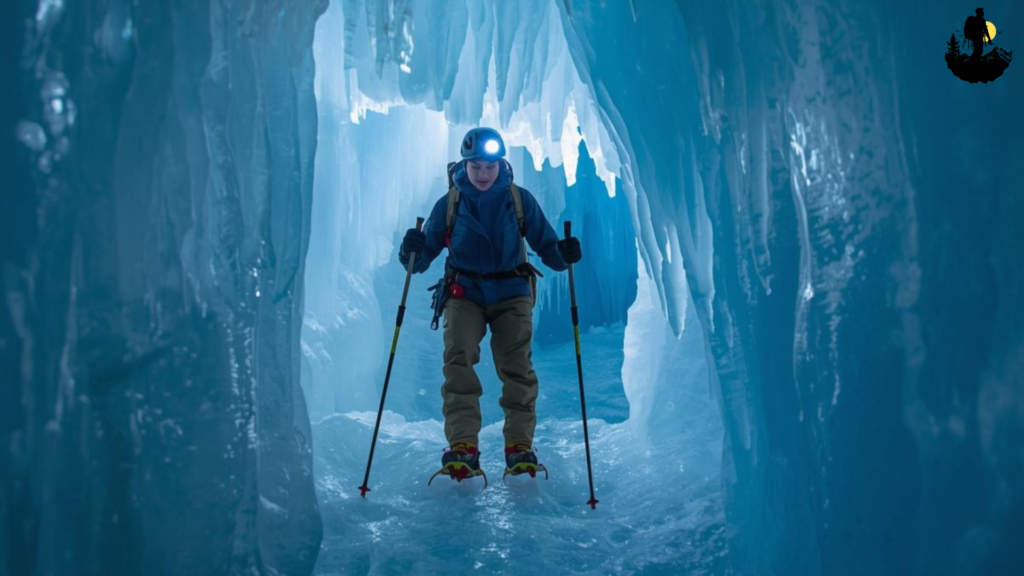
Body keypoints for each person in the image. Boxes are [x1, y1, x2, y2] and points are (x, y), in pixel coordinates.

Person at [399, 127, 582, 483]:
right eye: (476, 167)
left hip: (512, 291)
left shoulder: (519, 200)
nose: (483, 174)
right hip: (464, 292)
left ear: (501, 165)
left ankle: (519, 447)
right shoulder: (450, 203)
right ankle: (463, 446)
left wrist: (563, 254)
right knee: (459, 359)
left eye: (490, 167)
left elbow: (547, 248)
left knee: (516, 368)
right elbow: (419, 262)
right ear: (464, 166)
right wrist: (411, 248)